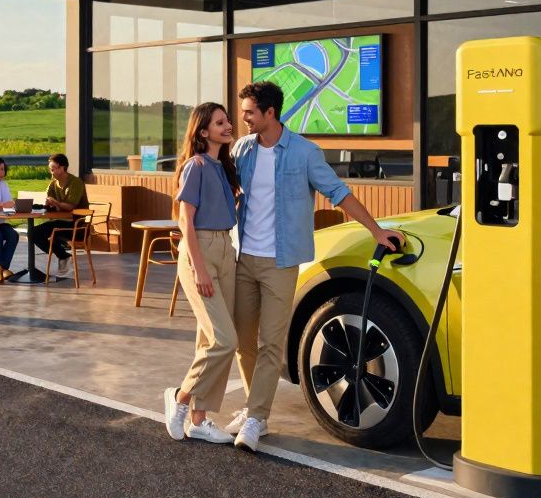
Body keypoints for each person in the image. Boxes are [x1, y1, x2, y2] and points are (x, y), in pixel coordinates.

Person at [221, 82, 404, 453]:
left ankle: (257, 415)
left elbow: (339, 193)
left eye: (249, 112)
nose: (243, 118)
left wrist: (376, 230)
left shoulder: (304, 153)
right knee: (242, 342)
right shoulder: (242, 149)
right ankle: (254, 407)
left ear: (270, 112)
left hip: (281, 261)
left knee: (271, 342)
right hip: (243, 258)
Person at [163, 102, 241, 445]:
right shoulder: (194, 167)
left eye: (227, 121)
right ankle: (180, 397)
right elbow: (186, 222)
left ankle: (199, 419)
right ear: (203, 130)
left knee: (210, 340)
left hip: (227, 248)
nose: (228, 126)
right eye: (220, 122)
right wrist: (198, 269)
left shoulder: (223, 166)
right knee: (227, 340)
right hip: (202, 252)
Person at [31, 153, 89, 277]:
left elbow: (70, 207)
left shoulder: (76, 183)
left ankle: (63, 257)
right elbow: (50, 203)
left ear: (62, 168)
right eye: (50, 169)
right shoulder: (52, 185)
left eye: (53, 168)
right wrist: (48, 204)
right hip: (60, 221)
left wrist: (56, 202)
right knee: (33, 233)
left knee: (46, 232)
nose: (51, 171)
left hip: (76, 225)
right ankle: (63, 256)